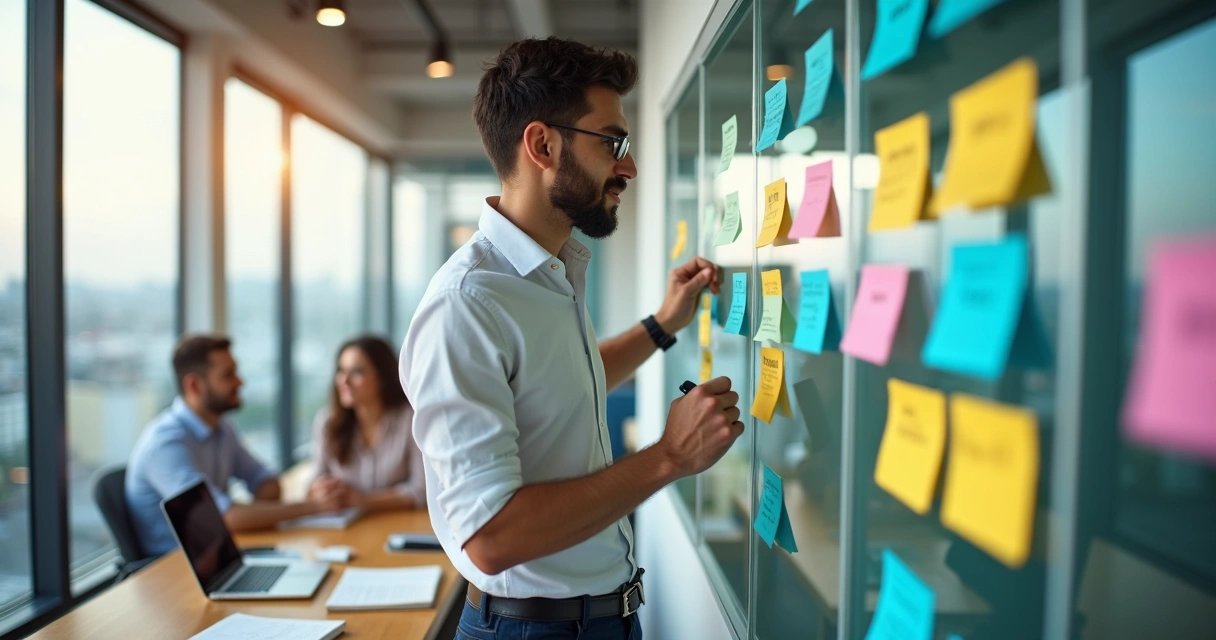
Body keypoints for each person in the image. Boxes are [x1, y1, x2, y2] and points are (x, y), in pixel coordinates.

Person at [399, 37, 744, 639]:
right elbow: (491, 538)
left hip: (602, 620)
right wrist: (669, 457)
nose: (628, 166)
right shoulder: (467, 304)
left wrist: (664, 324)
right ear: (542, 144)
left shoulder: (550, 272)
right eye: (613, 142)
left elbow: (566, 382)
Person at [126, 335, 345, 557]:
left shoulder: (221, 428)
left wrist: (247, 516)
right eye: (227, 375)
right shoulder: (165, 445)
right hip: (173, 570)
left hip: (222, 555)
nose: (240, 382)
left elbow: (267, 481)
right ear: (194, 385)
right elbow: (222, 519)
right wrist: (313, 507)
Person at [307, 335, 425, 512]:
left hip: (399, 524)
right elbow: (314, 482)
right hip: (345, 529)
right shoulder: (327, 422)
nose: (344, 381)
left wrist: (364, 501)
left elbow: (421, 491)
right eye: (341, 370)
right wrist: (320, 491)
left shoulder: (410, 420)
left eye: (356, 372)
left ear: (382, 377)